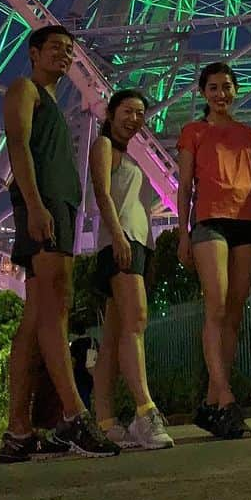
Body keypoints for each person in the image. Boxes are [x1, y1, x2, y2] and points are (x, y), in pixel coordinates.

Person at [0, 25, 119, 462]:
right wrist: (34, 204)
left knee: (36, 319)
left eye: (70, 51)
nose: (65, 57)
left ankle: (18, 431)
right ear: (33, 53)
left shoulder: (50, 100)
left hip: (61, 205)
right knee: (55, 308)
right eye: (55, 49)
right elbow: (18, 147)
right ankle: (73, 414)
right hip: (44, 204)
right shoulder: (23, 90)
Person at [177, 62, 251, 440]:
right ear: (203, 93)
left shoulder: (248, 135)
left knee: (234, 311)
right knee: (215, 305)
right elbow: (185, 186)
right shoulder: (193, 132)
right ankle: (226, 398)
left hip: (245, 223)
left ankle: (214, 399)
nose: (221, 94)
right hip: (210, 222)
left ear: (235, 90)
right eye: (213, 88)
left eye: (227, 87)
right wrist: (183, 233)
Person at [89, 88, 174, 451]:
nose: (134, 119)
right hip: (120, 243)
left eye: (140, 113)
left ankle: (105, 420)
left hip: (135, 241)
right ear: (110, 113)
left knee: (113, 336)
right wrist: (119, 237)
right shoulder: (104, 147)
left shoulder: (126, 153)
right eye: (127, 111)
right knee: (137, 321)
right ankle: (144, 409)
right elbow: (102, 193)